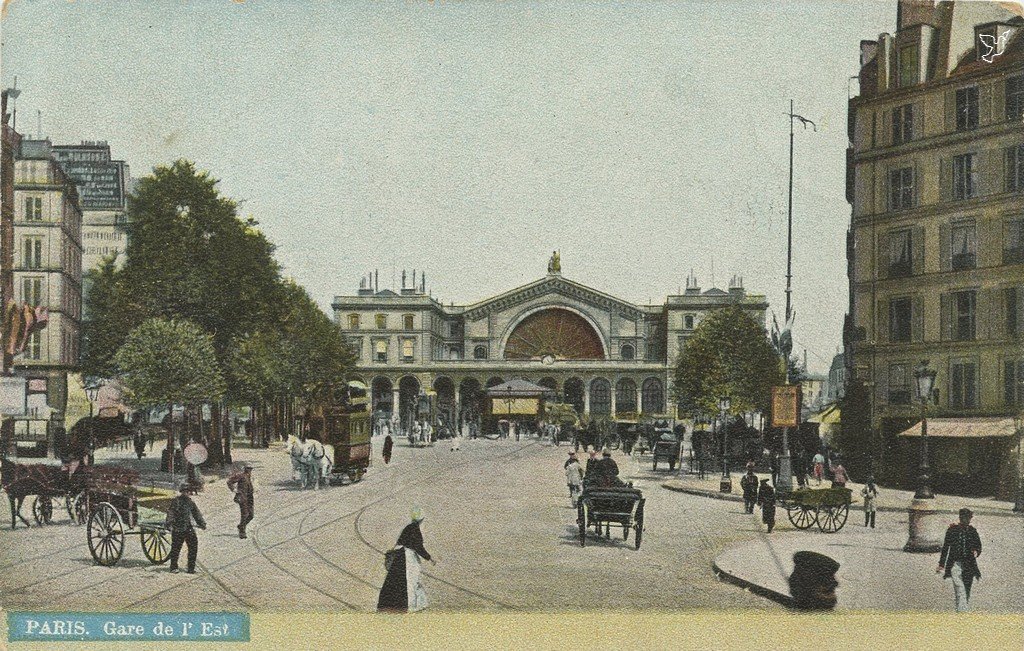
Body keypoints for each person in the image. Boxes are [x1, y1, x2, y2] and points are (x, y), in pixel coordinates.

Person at [377, 507, 436, 613]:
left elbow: (400, 542)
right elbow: (419, 548)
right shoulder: (416, 530)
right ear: (421, 519)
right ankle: (409, 605)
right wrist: (429, 558)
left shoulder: (408, 527)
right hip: (408, 559)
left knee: (395, 581)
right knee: (410, 581)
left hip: (399, 557)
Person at [937, 508, 982, 613]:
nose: (966, 520)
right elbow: (946, 548)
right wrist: (941, 564)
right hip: (955, 564)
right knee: (959, 588)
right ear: (960, 518)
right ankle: (963, 613)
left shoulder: (972, 531)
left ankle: (960, 610)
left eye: (968, 518)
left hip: (969, 564)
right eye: (963, 518)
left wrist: (976, 551)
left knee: (966, 589)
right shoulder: (952, 530)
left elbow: (979, 545)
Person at [164, 481, 206, 574]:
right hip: (178, 529)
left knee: (193, 547)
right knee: (176, 548)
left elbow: (196, 513)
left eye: (188, 491)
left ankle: (191, 568)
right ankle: (173, 567)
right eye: (184, 491)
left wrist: (202, 523)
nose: (186, 493)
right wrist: (169, 523)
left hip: (188, 528)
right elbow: (171, 512)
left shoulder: (190, 502)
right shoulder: (176, 501)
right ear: (181, 491)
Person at [226, 463, 255, 539]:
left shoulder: (248, 477)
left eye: (251, 469)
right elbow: (229, 481)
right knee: (244, 515)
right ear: (245, 469)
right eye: (249, 469)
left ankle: (241, 526)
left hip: (249, 499)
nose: (250, 470)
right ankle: (242, 532)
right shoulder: (241, 476)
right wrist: (234, 489)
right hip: (242, 498)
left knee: (251, 515)